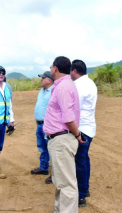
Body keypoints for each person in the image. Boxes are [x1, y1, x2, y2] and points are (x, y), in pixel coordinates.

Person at [43, 56, 84, 213]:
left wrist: (77, 134)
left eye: (51, 66)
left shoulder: (63, 87)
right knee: (61, 182)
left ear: (55, 69)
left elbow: (68, 117)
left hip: (62, 139)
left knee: (66, 185)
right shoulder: (63, 85)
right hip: (60, 139)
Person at [70, 59, 97, 208]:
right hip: (89, 127)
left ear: (74, 71)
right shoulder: (90, 83)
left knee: (79, 161)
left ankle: (80, 196)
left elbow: (74, 108)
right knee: (84, 159)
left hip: (82, 128)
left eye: (70, 71)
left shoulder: (79, 86)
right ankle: (84, 190)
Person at [31, 71, 54, 184]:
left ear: (49, 80)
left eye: (43, 78)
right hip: (39, 124)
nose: (41, 79)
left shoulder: (54, 91)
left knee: (52, 149)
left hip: (48, 125)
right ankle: (44, 168)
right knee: (42, 148)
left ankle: (54, 174)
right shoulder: (42, 91)